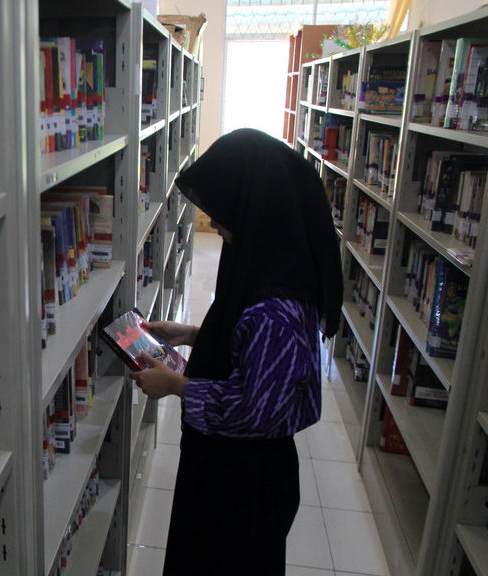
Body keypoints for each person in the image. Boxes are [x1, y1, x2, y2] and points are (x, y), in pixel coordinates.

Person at [129, 128, 343, 575]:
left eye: (224, 210)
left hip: (244, 482)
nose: (217, 223)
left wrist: (175, 386)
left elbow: (255, 410)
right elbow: (250, 353)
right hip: (239, 470)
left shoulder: (274, 311)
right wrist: (190, 334)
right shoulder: (272, 265)